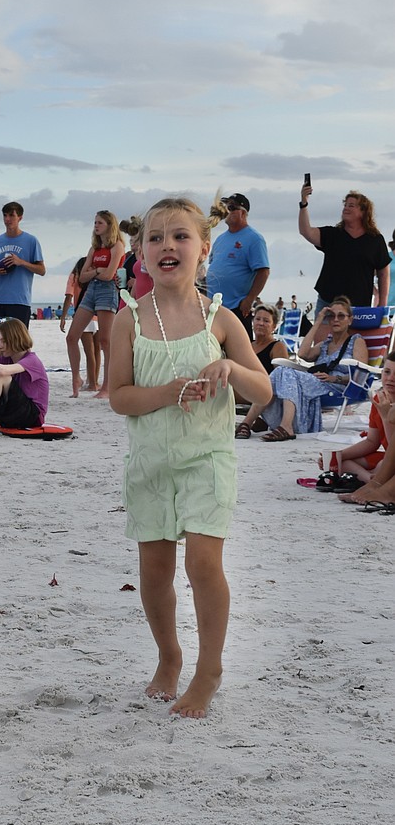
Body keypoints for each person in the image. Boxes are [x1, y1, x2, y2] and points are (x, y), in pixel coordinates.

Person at [108, 197, 271, 719]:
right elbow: (119, 396)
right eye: (155, 238)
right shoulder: (127, 320)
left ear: (204, 249)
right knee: (155, 570)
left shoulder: (219, 318)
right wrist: (170, 391)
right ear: (139, 253)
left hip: (207, 457)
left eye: (180, 236)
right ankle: (169, 655)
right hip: (152, 461)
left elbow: (262, 390)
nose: (167, 245)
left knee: (203, 563)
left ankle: (209, 670)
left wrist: (229, 368)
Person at [244, 297, 368, 440]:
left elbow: (360, 375)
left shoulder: (356, 341)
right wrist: (318, 321)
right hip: (318, 383)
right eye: (331, 316)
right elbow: (302, 354)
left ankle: (285, 426)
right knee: (281, 370)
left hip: (338, 387)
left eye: (341, 316)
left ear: (350, 320)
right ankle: (248, 423)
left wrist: (335, 378)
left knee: (284, 371)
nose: (335, 319)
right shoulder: (325, 345)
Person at [298, 181, 391, 313]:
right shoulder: (333, 234)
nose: (346, 208)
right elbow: (305, 231)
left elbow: (383, 273)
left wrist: (382, 303)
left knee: (354, 335)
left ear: (363, 212)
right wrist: (304, 204)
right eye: (345, 205)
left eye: (351, 205)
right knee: (320, 334)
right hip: (328, 302)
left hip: (359, 305)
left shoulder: (375, 240)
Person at [65, 212, 124, 400]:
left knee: (105, 341)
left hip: (108, 290)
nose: (96, 225)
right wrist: (99, 270)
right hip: (91, 290)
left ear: (109, 224)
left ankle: (107, 386)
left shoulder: (117, 246)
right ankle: (76, 378)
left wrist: (95, 271)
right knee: (72, 336)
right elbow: (81, 277)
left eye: (100, 222)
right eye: (95, 222)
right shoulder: (95, 248)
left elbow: (109, 275)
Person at [316, 352, 394, 489]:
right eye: (387, 372)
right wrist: (338, 455)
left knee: (383, 466)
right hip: (388, 458)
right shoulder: (379, 400)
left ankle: (373, 481)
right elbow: (372, 441)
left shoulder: (384, 404)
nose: (391, 378)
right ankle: (370, 479)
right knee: (343, 462)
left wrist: (386, 416)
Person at [206, 193, 270, 337]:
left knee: (237, 355)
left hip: (236, 308)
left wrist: (249, 299)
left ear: (243, 212)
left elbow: (263, 272)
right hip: (214, 308)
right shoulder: (220, 239)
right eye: (225, 207)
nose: (226, 211)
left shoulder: (254, 238)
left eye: (231, 207)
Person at [0, 202, 45, 326]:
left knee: (18, 343)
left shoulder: (31, 241)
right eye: (5, 216)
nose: (7, 219)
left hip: (19, 301)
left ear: (20, 218)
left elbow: (42, 270)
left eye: (11, 216)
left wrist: (21, 262)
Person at [234, 303, 289, 437]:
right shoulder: (248, 345)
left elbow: (281, 377)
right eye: (258, 319)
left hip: (262, 391)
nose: (261, 323)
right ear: (253, 322)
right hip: (243, 389)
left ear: (274, 326)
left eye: (266, 321)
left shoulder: (277, 346)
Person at [59, 258, 100, 392]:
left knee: (89, 353)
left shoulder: (75, 276)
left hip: (84, 316)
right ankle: (93, 380)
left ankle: (92, 384)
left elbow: (68, 296)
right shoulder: (94, 276)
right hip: (98, 316)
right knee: (96, 351)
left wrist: (63, 316)